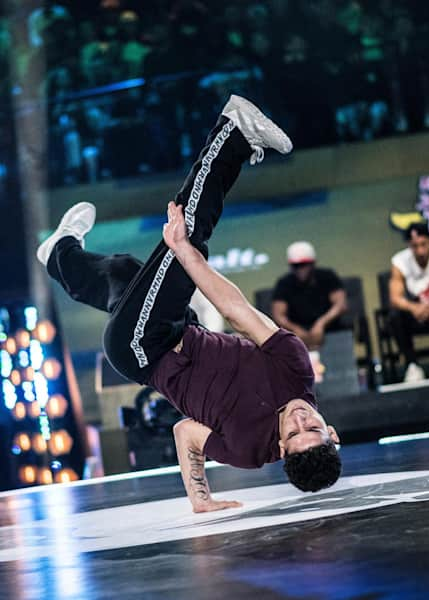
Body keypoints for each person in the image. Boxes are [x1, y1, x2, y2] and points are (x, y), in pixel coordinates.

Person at [37, 95, 341, 513]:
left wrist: (202, 499)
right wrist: (187, 258)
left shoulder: (249, 451)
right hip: (183, 328)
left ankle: (233, 132)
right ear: (332, 432)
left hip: (145, 348)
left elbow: (185, 433)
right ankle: (59, 253)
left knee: (187, 236)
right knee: (124, 272)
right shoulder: (295, 368)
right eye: (315, 427)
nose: (303, 418)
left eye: (296, 431)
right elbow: (238, 312)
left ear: (283, 450)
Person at [389, 222, 429, 383]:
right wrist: (413, 307)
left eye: (423, 244)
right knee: (395, 316)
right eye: (415, 246)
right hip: (415, 311)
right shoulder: (399, 261)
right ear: (409, 245)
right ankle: (412, 365)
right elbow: (395, 298)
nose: (420, 250)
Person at [271, 241, 347, 350]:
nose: (300, 270)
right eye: (296, 266)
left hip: (331, 330)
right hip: (296, 336)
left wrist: (321, 323)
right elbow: (278, 315)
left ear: (313, 263)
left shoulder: (327, 276)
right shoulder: (284, 283)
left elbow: (340, 305)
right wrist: (295, 329)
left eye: (304, 265)